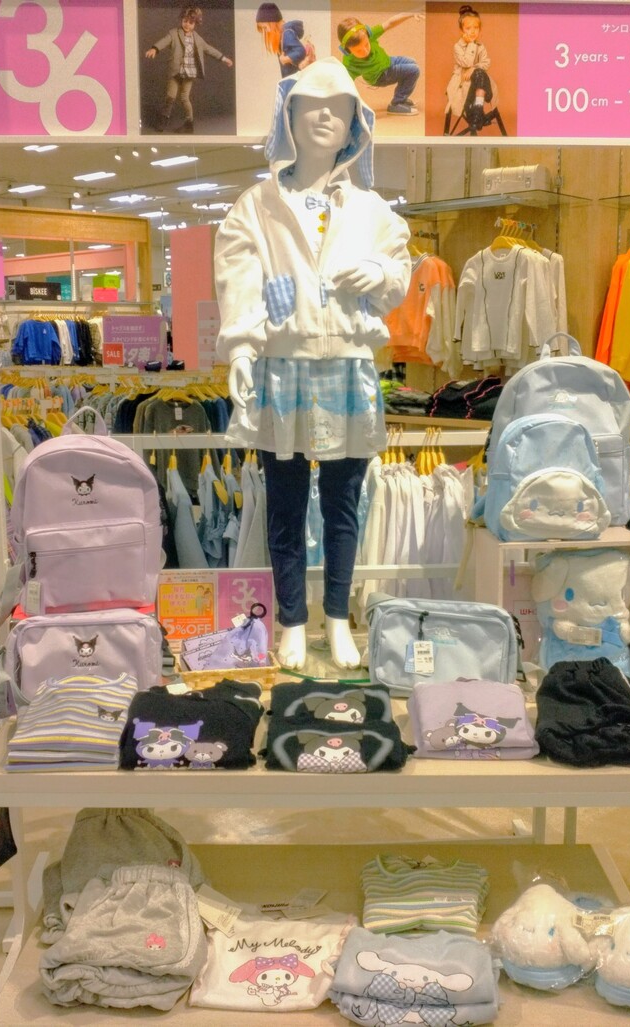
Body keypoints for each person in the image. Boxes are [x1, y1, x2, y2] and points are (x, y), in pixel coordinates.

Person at [213, 58, 411, 670]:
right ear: (289, 116)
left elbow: (399, 268)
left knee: (344, 505)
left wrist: (379, 272)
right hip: (283, 368)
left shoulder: (372, 210)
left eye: (339, 107)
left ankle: (339, 618)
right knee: (285, 505)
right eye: (311, 105)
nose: (325, 117)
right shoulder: (258, 205)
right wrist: (242, 346)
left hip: (349, 366)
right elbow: (238, 277)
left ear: (356, 123)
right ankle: (293, 621)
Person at [145, 5, 234, 134]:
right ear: (181, 20)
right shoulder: (174, 33)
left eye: (191, 22)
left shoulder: (197, 39)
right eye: (185, 21)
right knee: (170, 96)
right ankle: (163, 120)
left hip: (189, 72)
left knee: (184, 98)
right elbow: (164, 41)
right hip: (176, 71)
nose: (187, 24)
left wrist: (224, 58)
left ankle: (189, 123)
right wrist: (155, 49)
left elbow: (209, 49)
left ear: (195, 24)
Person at [337, 13, 423, 116]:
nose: (365, 51)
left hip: (388, 61)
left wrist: (410, 14)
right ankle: (397, 103)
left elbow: (390, 23)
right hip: (380, 76)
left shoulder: (368, 34)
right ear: (347, 51)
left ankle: (402, 98)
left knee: (412, 62)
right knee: (414, 70)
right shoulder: (350, 62)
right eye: (358, 50)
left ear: (368, 35)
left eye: (366, 45)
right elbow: (345, 84)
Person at [444, 5, 491, 133]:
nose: (473, 31)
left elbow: (486, 63)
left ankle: (478, 110)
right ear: (461, 31)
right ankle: (478, 113)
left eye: (476, 28)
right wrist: (470, 44)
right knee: (479, 73)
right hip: (462, 82)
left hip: (478, 82)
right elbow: (467, 62)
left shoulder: (481, 46)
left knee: (479, 73)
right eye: (468, 28)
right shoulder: (457, 47)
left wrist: (473, 69)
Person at [255, 3, 314, 78]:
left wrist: (285, 59)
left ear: (272, 22)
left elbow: (300, 51)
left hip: (295, 78)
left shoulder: (286, 34)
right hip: (295, 76)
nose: (266, 31)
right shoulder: (283, 34)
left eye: (265, 28)